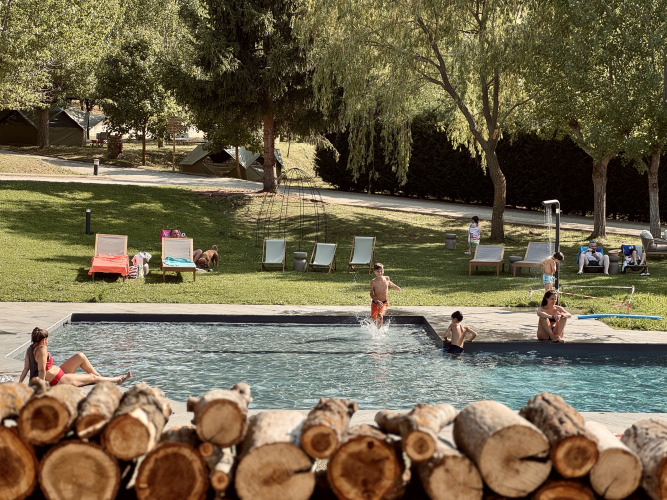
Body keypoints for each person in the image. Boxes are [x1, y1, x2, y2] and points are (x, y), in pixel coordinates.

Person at [18, 327, 131, 387]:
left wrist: (19, 383)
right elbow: (41, 370)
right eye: (47, 339)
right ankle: (118, 379)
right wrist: (41, 389)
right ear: (43, 340)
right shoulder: (42, 349)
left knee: (80, 356)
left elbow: (26, 368)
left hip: (60, 372)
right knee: (92, 377)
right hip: (58, 380)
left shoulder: (30, 349)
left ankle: (102, 379)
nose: (47, 341)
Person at [370, 263, 402, 328]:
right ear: (374, 271)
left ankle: (379, 332)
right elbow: (371, 294)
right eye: (378, 271)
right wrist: (377, 301)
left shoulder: (386, 278)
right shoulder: (373, 282)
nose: (380, 273)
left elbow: (390, 283)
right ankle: (376, 329)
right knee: (374, 319)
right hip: (375, 303)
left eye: (381, 271)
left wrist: (395, 287)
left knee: (380, 315)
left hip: (384, 303)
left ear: (383, 270)